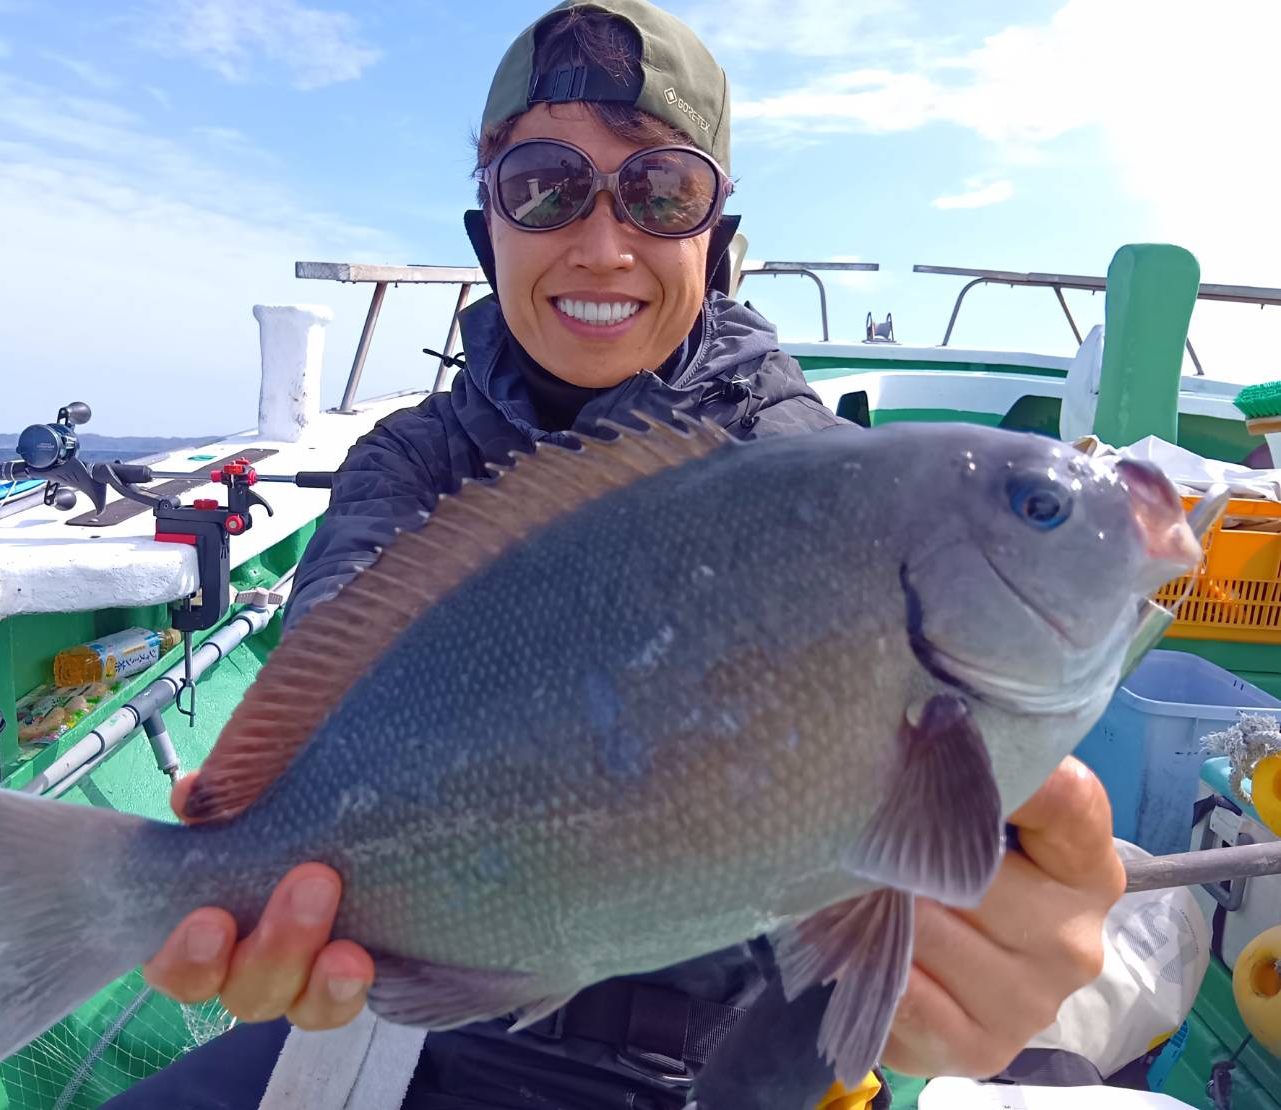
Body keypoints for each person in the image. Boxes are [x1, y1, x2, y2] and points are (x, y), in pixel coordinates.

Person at [132, 2, 1126, 1107]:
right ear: (486, 233)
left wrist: (964, 955)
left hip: (724, 1057)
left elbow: (888, 886)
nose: (602, 243)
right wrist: (246, 849)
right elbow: (331, 684)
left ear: (717, 238)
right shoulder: (407, 465)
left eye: (662, 191)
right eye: (545, 188)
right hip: (412, 1017)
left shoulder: (827, 488)